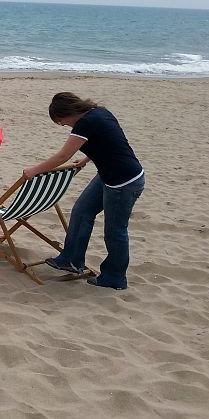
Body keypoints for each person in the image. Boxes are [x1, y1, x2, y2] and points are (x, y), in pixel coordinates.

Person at [23, 92, 144, 290]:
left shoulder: (86, 123)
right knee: (81, 212)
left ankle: (115, 278)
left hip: (124, 183)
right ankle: (71, 260)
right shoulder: (99, 113)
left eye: (61, 121)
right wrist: (87, 159)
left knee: (115, 231)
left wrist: (34, 170)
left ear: (68, 113)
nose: (62, 125)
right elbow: (107, 143)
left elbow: (63, 156)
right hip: (108, 175)